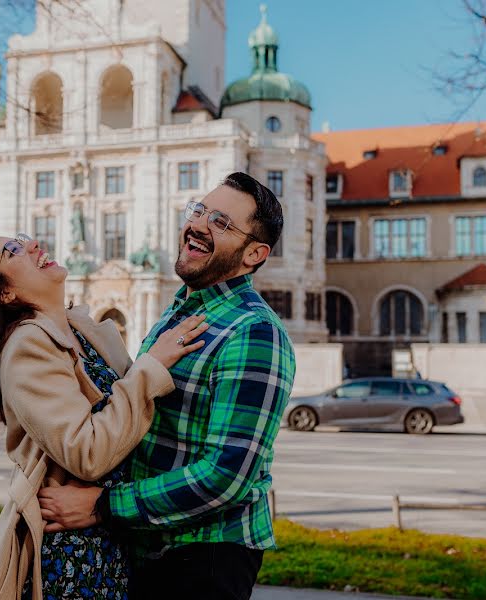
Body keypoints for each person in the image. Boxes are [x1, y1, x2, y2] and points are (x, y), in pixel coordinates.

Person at [38, 172, 297, 600]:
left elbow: (227, 474)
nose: (199, 224)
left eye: (222, 222)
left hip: (204, 558)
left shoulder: (252, 331)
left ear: (254, 254)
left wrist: (102, 506)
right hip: (156, 548)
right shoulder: (180, 311)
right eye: (199, 210)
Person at [0, 233, 209, 600]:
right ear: (4, 293)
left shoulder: (79, 331)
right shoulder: (27, 345)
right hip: (76, 555)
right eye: (14, 250)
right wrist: (152, 367)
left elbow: (131, 417)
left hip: (110, 536)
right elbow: (86, 451)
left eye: (24, 239)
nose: (33, 244)